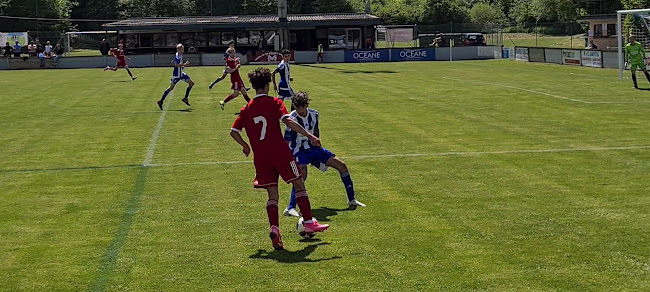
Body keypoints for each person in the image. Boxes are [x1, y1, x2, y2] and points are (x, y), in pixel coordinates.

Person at [229, 67, 330, 250]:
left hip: (260, 157)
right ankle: (308, 221)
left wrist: (245, 146)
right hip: (280, 152)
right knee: (299, 183)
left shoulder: (247, 108)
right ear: (268, 85)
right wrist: (309, 135)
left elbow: (233, 132)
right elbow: (288, 121)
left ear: (253, 86)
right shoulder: (275, 102)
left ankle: (275, 229)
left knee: (272, 195)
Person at [282, 92, 366, 217]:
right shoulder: (291, 119)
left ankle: (351, 199)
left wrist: (318, 153)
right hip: (298, 151)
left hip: (314, 150)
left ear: (307, 105)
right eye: (297, 108)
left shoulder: (315, 114)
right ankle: (290, 207)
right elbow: (286, 141)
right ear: (294, 105)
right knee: (302, 175)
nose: (300, 111)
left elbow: (316, 133)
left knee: (342, 165)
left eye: (302, 108)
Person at [157, 44, 193, 110]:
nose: (182, 50)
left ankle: (185, 98)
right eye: (181, 49)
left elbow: (178, 64)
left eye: (182, 49)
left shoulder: (180, 55)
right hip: (177, 75)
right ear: (178, 50)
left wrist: (183, 66)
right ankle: (161, 101)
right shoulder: (177, 56)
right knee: (171, 88)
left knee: (191, 83)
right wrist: (184, 64)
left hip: (181, 74)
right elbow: (176, 65)